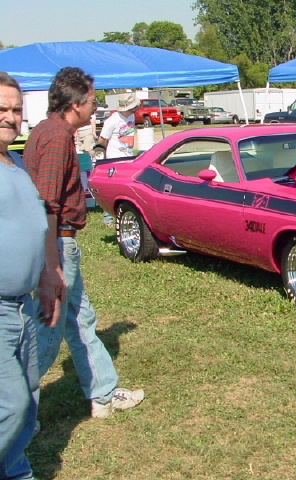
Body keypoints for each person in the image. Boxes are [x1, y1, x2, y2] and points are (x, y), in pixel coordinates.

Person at [23, 67, 144, 419]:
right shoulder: (57, 136)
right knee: (49, 330)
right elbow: (47, 202)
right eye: (92, 101)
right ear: (75, 104)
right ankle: (14, 409)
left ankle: (103, 394)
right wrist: (53, 265)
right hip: (57, 245)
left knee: (80, 320)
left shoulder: (49, 131)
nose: (95, 108)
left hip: (58, 244)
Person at [0, 71, 58, 480]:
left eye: (16, 109)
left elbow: (34, 224)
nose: (10, 116)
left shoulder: (16, 162)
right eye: (1, 108)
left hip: (24, 307)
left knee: (28, 402)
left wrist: (47, 276)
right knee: (12, 404)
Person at [97, 92, 139, 226]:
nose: (136, 108)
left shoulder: (132, 116)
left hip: (128, 156)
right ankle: (108, 218)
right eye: (133, 106)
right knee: (112, 188)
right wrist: (102, 158)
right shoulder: (112, 120)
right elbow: (102, 140)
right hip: (114, 158)